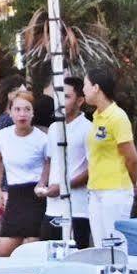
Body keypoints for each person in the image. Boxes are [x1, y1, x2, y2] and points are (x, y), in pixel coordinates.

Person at [83, 66, 137, 249]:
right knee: (101, 247)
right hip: (96, 190)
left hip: (115, 190)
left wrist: (132, 181)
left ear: (96, 88)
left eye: (85, 85)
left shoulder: (117, 117)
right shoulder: (96, 116)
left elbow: (131, 157)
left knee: (115, 246)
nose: (83, 90)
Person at [0, 89, 47, 257]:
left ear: (33, 113)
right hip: (14, 196)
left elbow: (50, 162)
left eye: (27, 109)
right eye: (18, 109)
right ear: (10, 112)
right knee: (3, 252)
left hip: (35, 197)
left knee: (31, 252)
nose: (22, 114)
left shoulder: (42, 138)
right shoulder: (3, 136)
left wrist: (43, 182)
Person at [39, 75, 94, 247]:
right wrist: (42, 184)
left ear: (80, 101)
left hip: (77, 208)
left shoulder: (88, 129)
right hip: (51, 207)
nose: (60, 101)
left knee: (75, 261)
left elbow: (94, 169)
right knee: (48, 258)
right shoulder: (54, 128)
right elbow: (49, 159)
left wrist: (64, 187)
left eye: (67, 96)